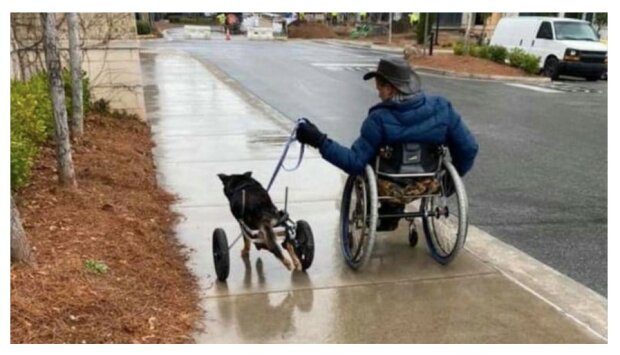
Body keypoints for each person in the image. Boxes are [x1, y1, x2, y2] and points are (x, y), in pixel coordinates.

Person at [296, 57, 479, 231]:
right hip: (429, 182)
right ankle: (393, 211)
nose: (378, 92)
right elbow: (469, 148)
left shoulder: (378, 119)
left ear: (391, 89)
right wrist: (447, 183)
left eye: (379, 87)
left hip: (390, 188)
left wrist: (319, 140)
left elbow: (354, 163)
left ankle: (390, 213)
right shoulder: (442, 108)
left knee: (370, 168)